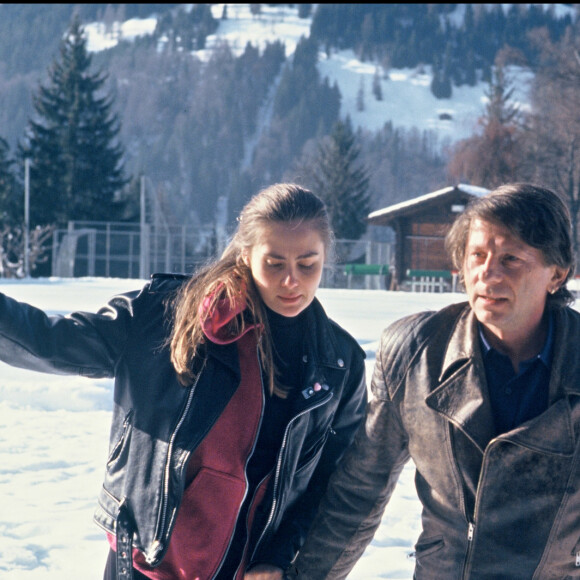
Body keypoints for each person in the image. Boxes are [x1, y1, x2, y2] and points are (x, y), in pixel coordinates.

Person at [0, 183, 367, 580]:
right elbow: (48, 340)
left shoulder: (339, 366)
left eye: (307, 264)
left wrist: (279, 556)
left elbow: (333, 484)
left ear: (325, 258)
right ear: (246, 255)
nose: (291, 281)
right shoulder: (166, 316)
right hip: (148, 564)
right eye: (274, 263)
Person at [289, 183, 580, 579]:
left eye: (510, 259)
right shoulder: (416, 353)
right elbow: (358, 495)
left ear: (557, 275)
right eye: (477, 255)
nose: (486, 273)